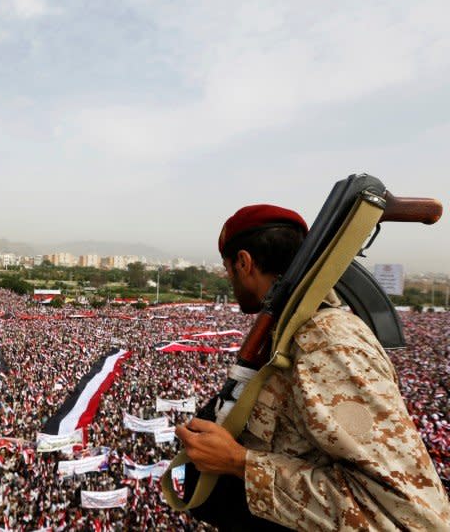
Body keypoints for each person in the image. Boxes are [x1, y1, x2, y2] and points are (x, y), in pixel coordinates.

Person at [175, 204, 450, 531]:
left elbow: (409, 516)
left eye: (228, 268)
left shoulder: (326, 343)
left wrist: (240, 463)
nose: (228, 277)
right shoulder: (292, 332)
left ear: (244, 262)